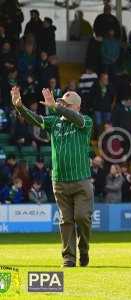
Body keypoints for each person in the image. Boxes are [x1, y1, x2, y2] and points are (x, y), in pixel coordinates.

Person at [10, 86, 94, 268]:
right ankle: (69, 258)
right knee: (66, 221)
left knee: (82, 218)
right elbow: (35, 119)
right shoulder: (54, 122)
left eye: (66, 104)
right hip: (60, 181)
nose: (62, 106)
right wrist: (19, 107)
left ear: (77, 107)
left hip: (81, 180)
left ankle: (84, 249)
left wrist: (56, 107)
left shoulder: (85, 122)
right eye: (61, 102)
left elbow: (76, 119)